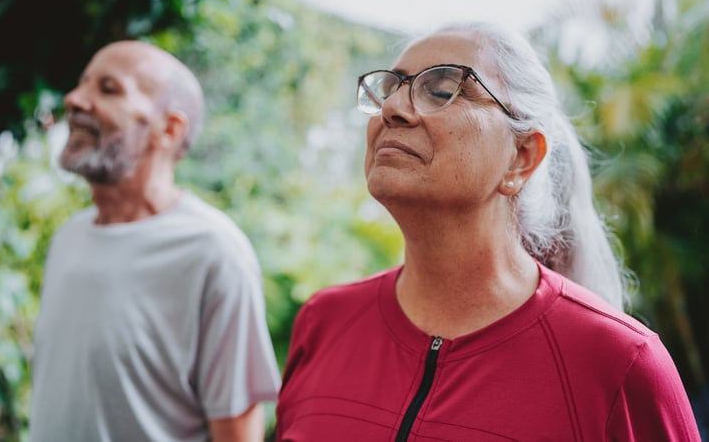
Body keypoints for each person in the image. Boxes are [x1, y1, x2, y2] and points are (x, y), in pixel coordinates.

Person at [276, 22, 700, 441]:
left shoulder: (618, 364)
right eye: (389, 89)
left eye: (441, 90)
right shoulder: (324, 322)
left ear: (521, 157)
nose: (392, 109)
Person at [30, 40, 281, 441]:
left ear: (168, 128)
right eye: (81, 85)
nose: (75, 100)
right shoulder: (69, 236)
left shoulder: (213, 252)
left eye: (108, 89)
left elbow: (237, 432)